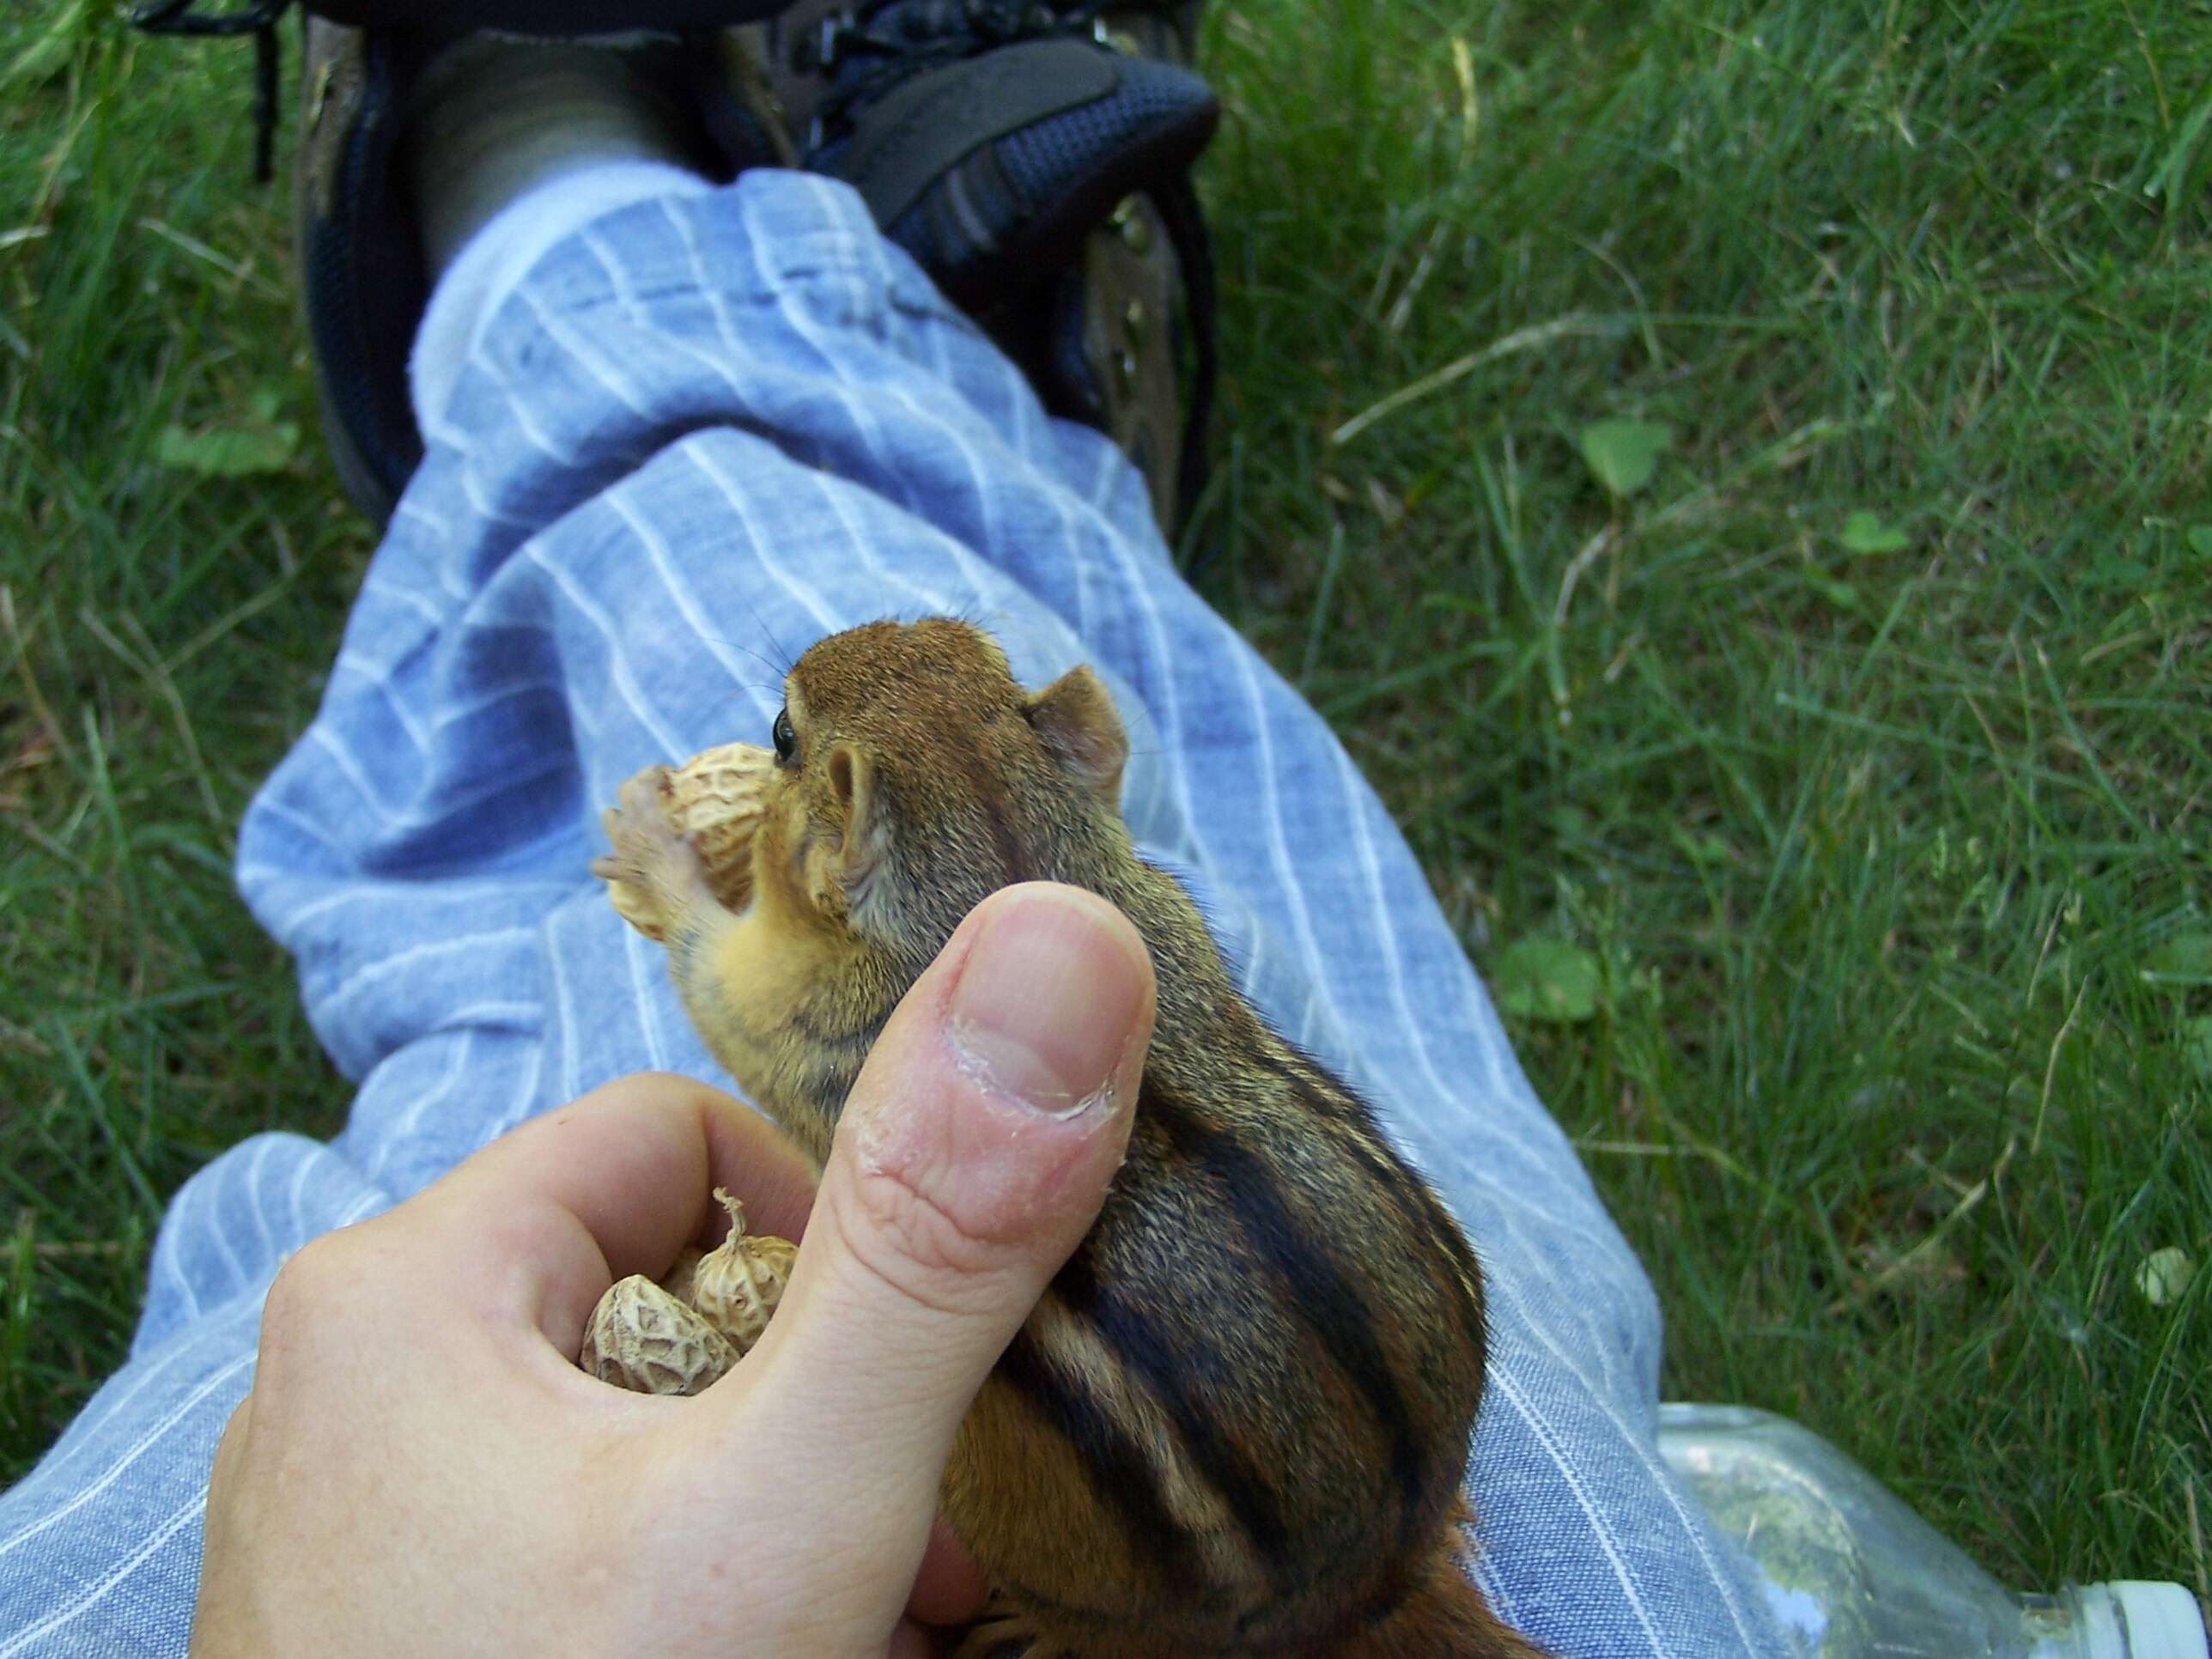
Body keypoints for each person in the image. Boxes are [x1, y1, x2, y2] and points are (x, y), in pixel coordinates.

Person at [0, 6, 1790, 1655]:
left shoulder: (859, 1002)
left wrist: (684, 910)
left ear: (838, 834)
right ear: (1078, 760)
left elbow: (752, 1017)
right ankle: (908, 345)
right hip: (1389, 1467)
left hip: (1158, 1565)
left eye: (786, 750)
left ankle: (560, 210)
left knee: (352, 1304)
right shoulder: (1139, 928)